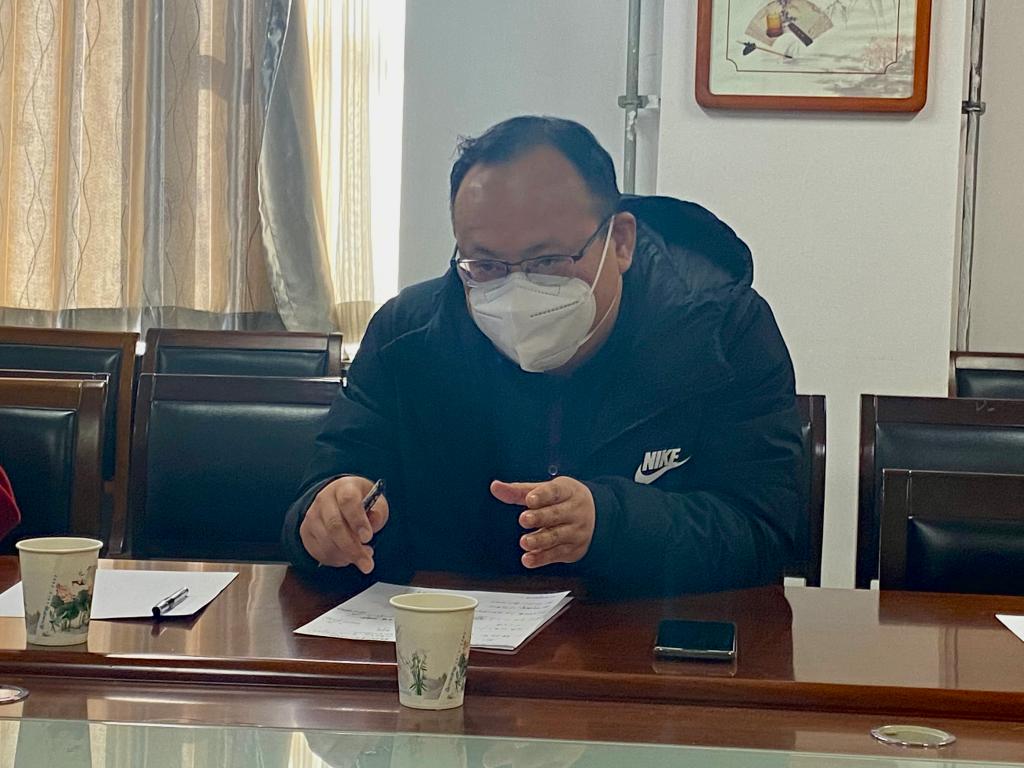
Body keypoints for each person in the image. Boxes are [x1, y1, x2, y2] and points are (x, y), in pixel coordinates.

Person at [282, 115, 803, 597]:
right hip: (451, 637)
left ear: (620, 242)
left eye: (548, 261)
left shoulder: (721, 333)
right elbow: (326, 490)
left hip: (639, 635)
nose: (516, 292)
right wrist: (326, 517)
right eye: (486, 265)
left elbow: (763, 532)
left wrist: (609, 523)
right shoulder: (408, 337)